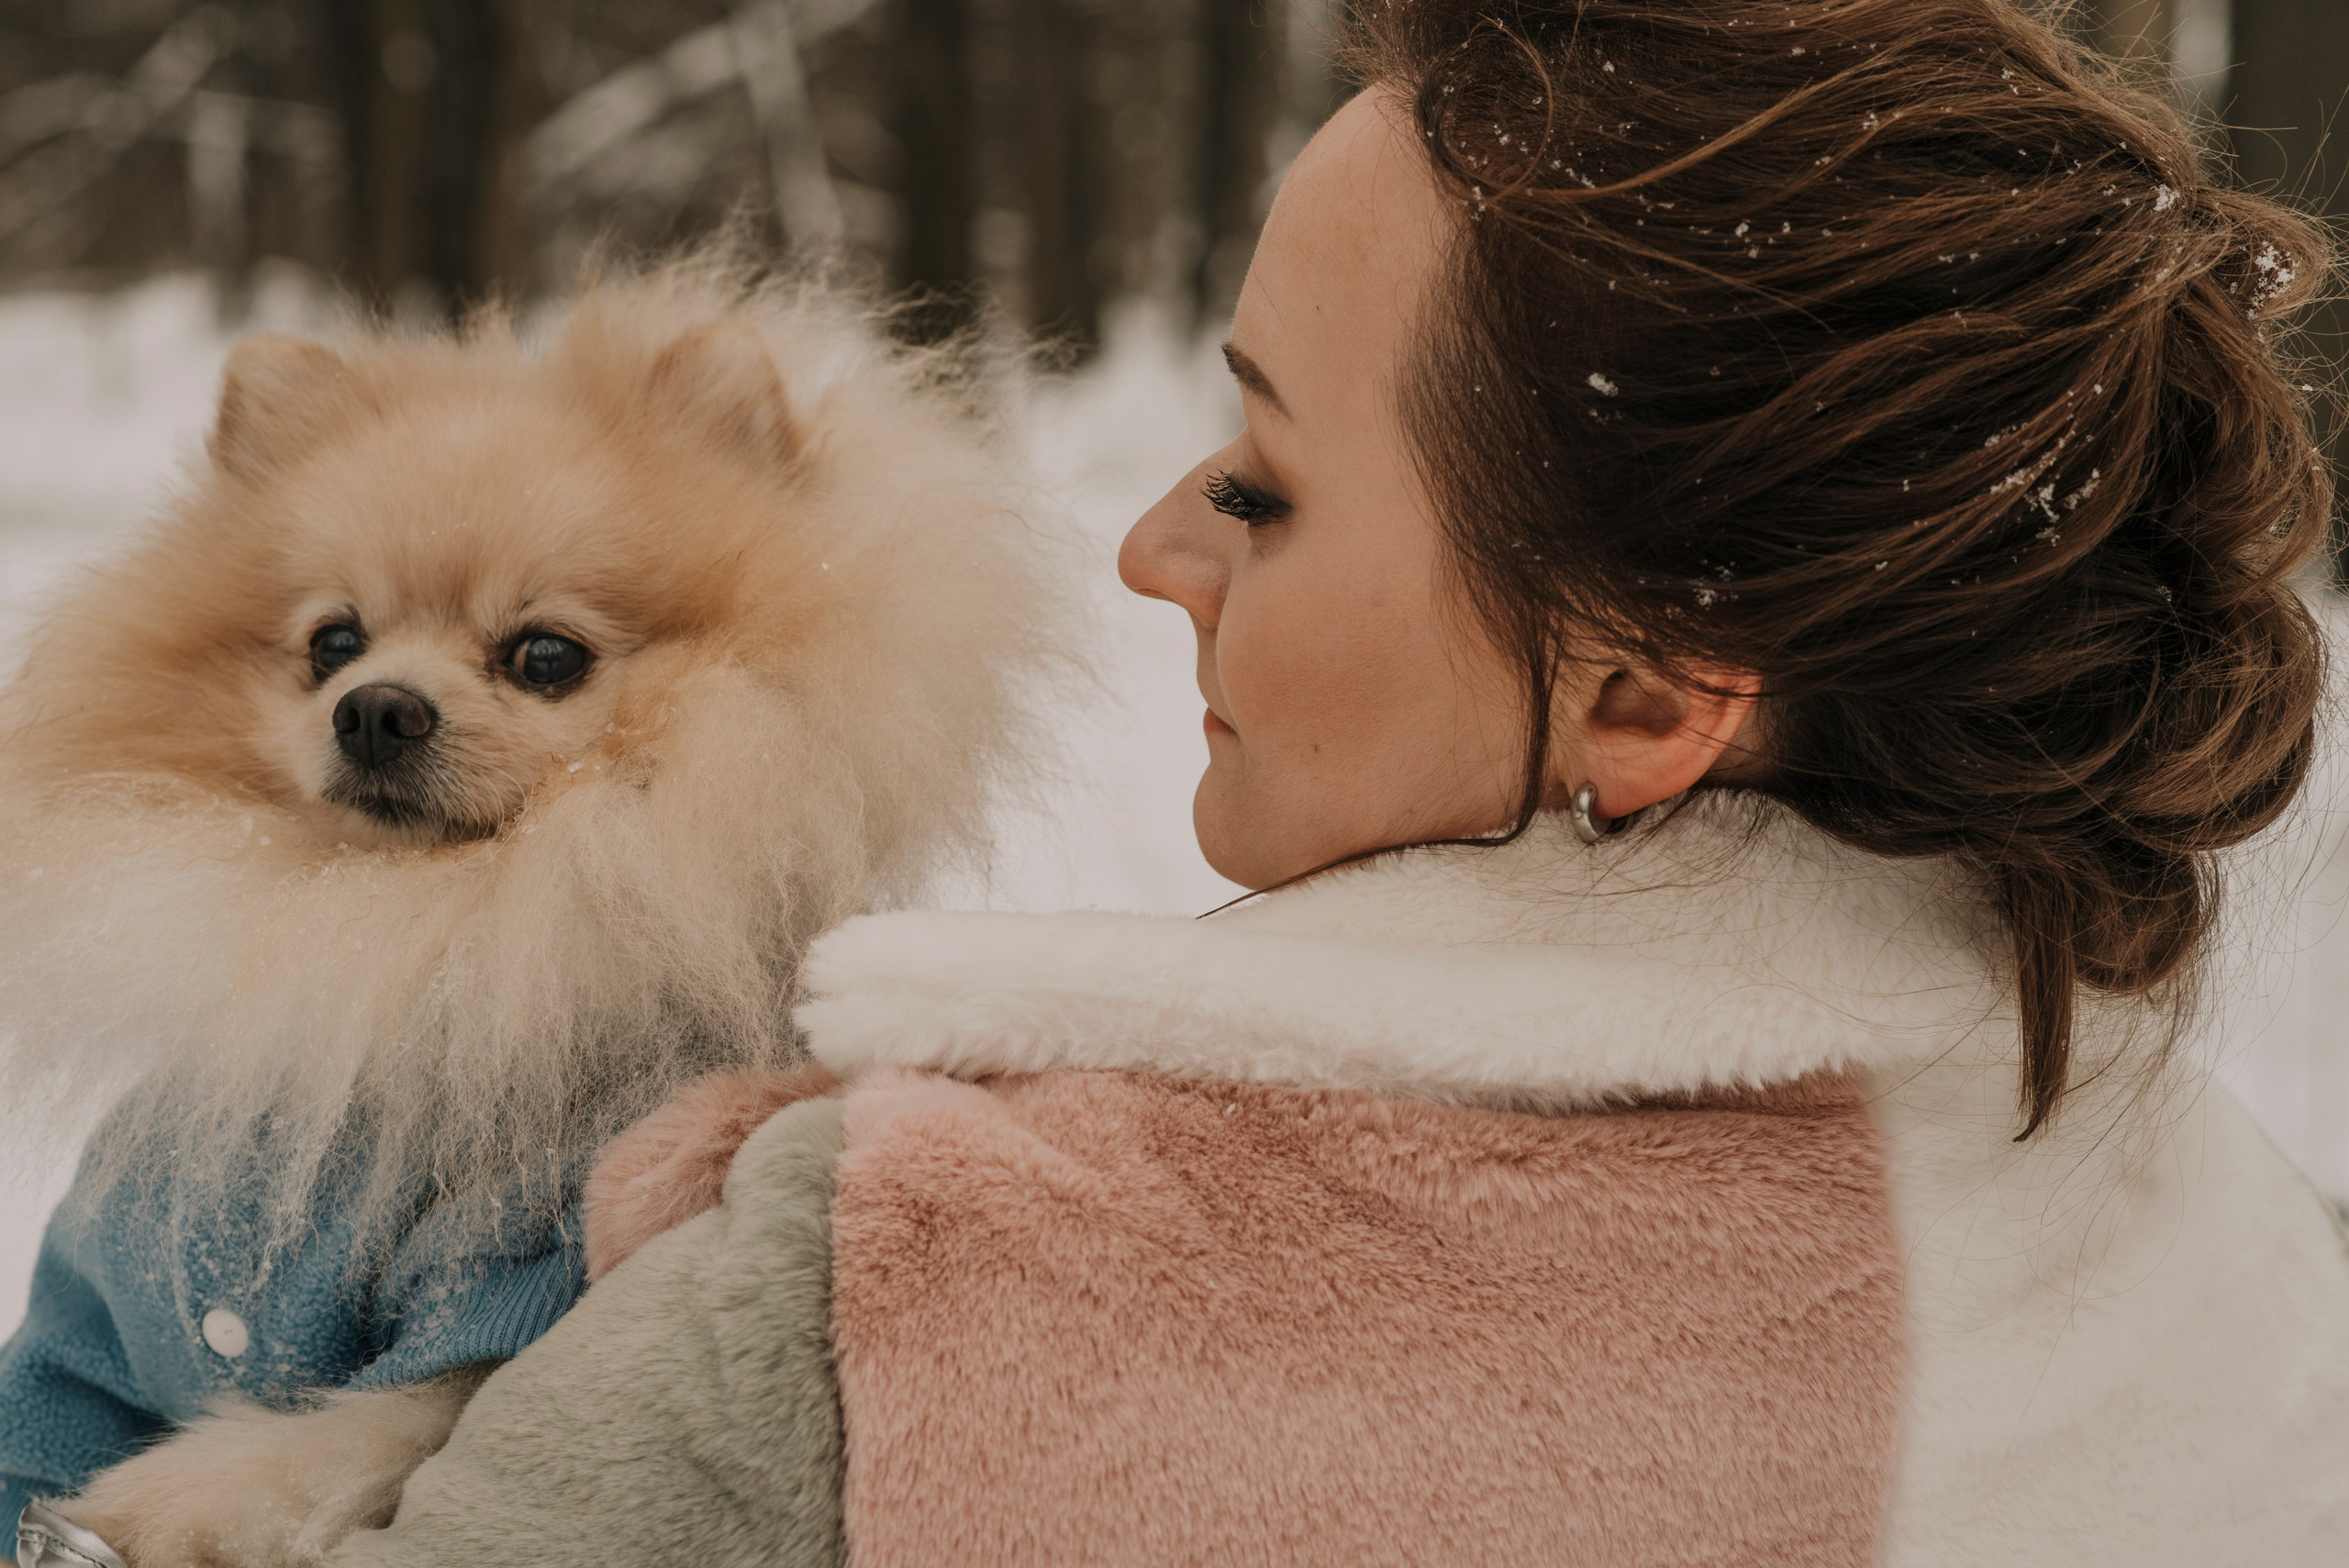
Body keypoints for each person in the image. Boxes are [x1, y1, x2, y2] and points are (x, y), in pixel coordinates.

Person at [327, 4, 2349, 1564]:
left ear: (1642, 700)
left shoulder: (888, 1305)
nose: (1149, 543)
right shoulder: (2250, 1279)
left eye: (1267, 486)